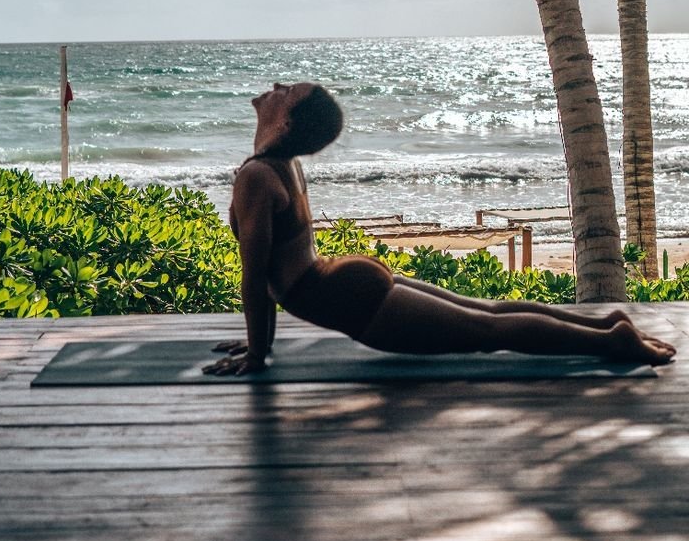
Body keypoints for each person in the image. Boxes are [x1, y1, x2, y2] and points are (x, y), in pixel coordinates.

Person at [203, 82, 675, 376]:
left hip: (347, 296)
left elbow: (256, 275)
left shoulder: (257, 175)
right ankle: (607, 325)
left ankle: (610, 341)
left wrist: (258, 355)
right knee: (492, 313)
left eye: (289, 91)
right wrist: (258, 338)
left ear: (285, 120)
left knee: (491, 331)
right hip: (342, 283)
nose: (278, 85)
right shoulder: (281, 167)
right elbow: (273, 269)